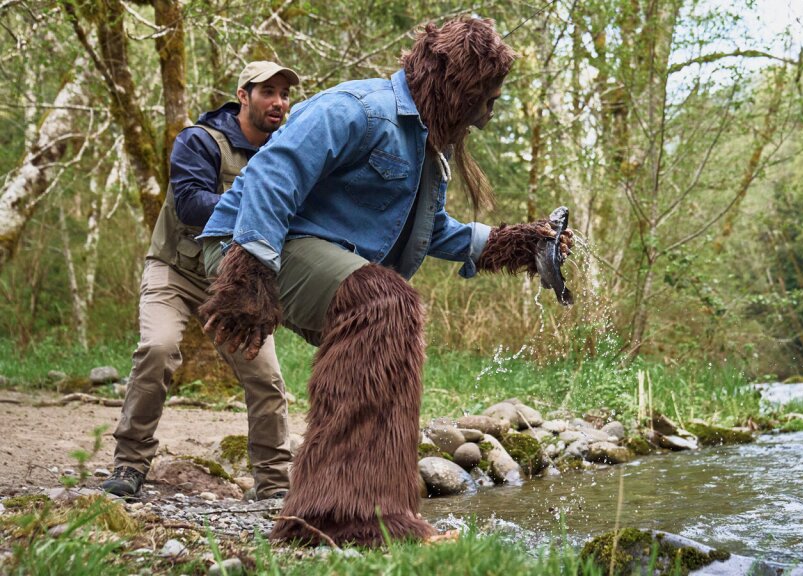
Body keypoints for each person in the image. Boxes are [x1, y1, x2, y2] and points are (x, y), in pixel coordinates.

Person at [197, 18, 572, 546]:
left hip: (315, 254)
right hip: (247, 248)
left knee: (395, 317)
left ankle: (369, 514)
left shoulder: (428, 152)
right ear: (454, 86)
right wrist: (250, 271)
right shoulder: (359, 109)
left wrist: (519, 243)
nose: (487, 115)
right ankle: (342, 518)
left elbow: (431, 230)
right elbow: (271, 172)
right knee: (384, 301)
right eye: (484, 98)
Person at [101, 62, 301, 500]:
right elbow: (191, 204)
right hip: (174, 271)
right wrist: (261, 202)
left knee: (266, 377)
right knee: (157, 349)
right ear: (243, 95)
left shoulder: (287, 151)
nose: (279, 102)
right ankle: (130, 466)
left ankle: (274, 486)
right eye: (268, 91)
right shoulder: (198, 141)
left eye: (284, 94)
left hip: (237, 281)